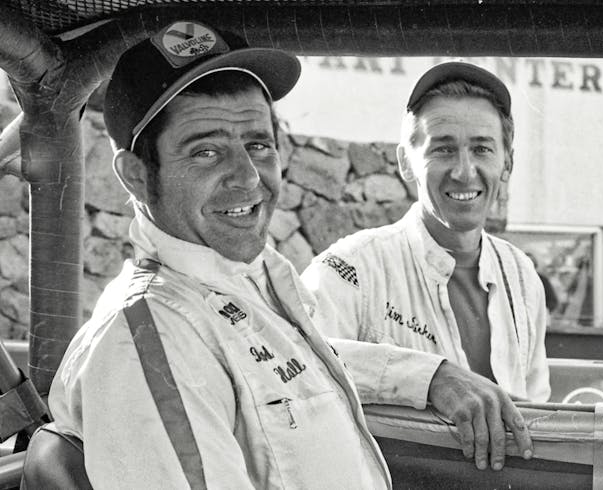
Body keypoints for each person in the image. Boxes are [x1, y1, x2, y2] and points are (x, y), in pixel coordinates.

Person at [45, 23, 533, 488]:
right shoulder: (147, 344)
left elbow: (290, 363)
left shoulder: (251, 287)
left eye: (258, 144)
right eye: (206, 152)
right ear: (135, 175)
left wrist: (429, 376)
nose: (248, 177)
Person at [302, 62, 550, 404]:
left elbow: (536, 407)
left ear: (507, 162)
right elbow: (295, 365)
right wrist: (427, 379)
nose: (465, 172)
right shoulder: (352, 269)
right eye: (443, 149)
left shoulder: (521, 276)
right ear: (406, 162)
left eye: (482, 149)